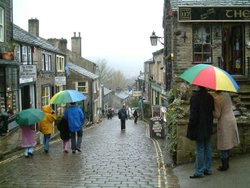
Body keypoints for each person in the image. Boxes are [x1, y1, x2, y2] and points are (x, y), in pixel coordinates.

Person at [186, 86, 214, 178]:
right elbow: (212, 112)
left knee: (200, 149)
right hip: (208, 126)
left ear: (198, 86)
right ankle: (208, 169)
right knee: (208, 148)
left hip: (199, 127)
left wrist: (190, 126)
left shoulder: (195, 97)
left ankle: (199, 171)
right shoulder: (210, 97)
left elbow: (193, 114)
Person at [212, 91, 240, 171]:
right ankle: (227, 163)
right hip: (231, 119)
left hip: (224, 122)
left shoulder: (217, 98)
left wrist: (211, 111)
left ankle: (224, 165)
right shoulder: (227, 95)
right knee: (229, 142)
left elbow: (217, 114)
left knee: (224, 143)